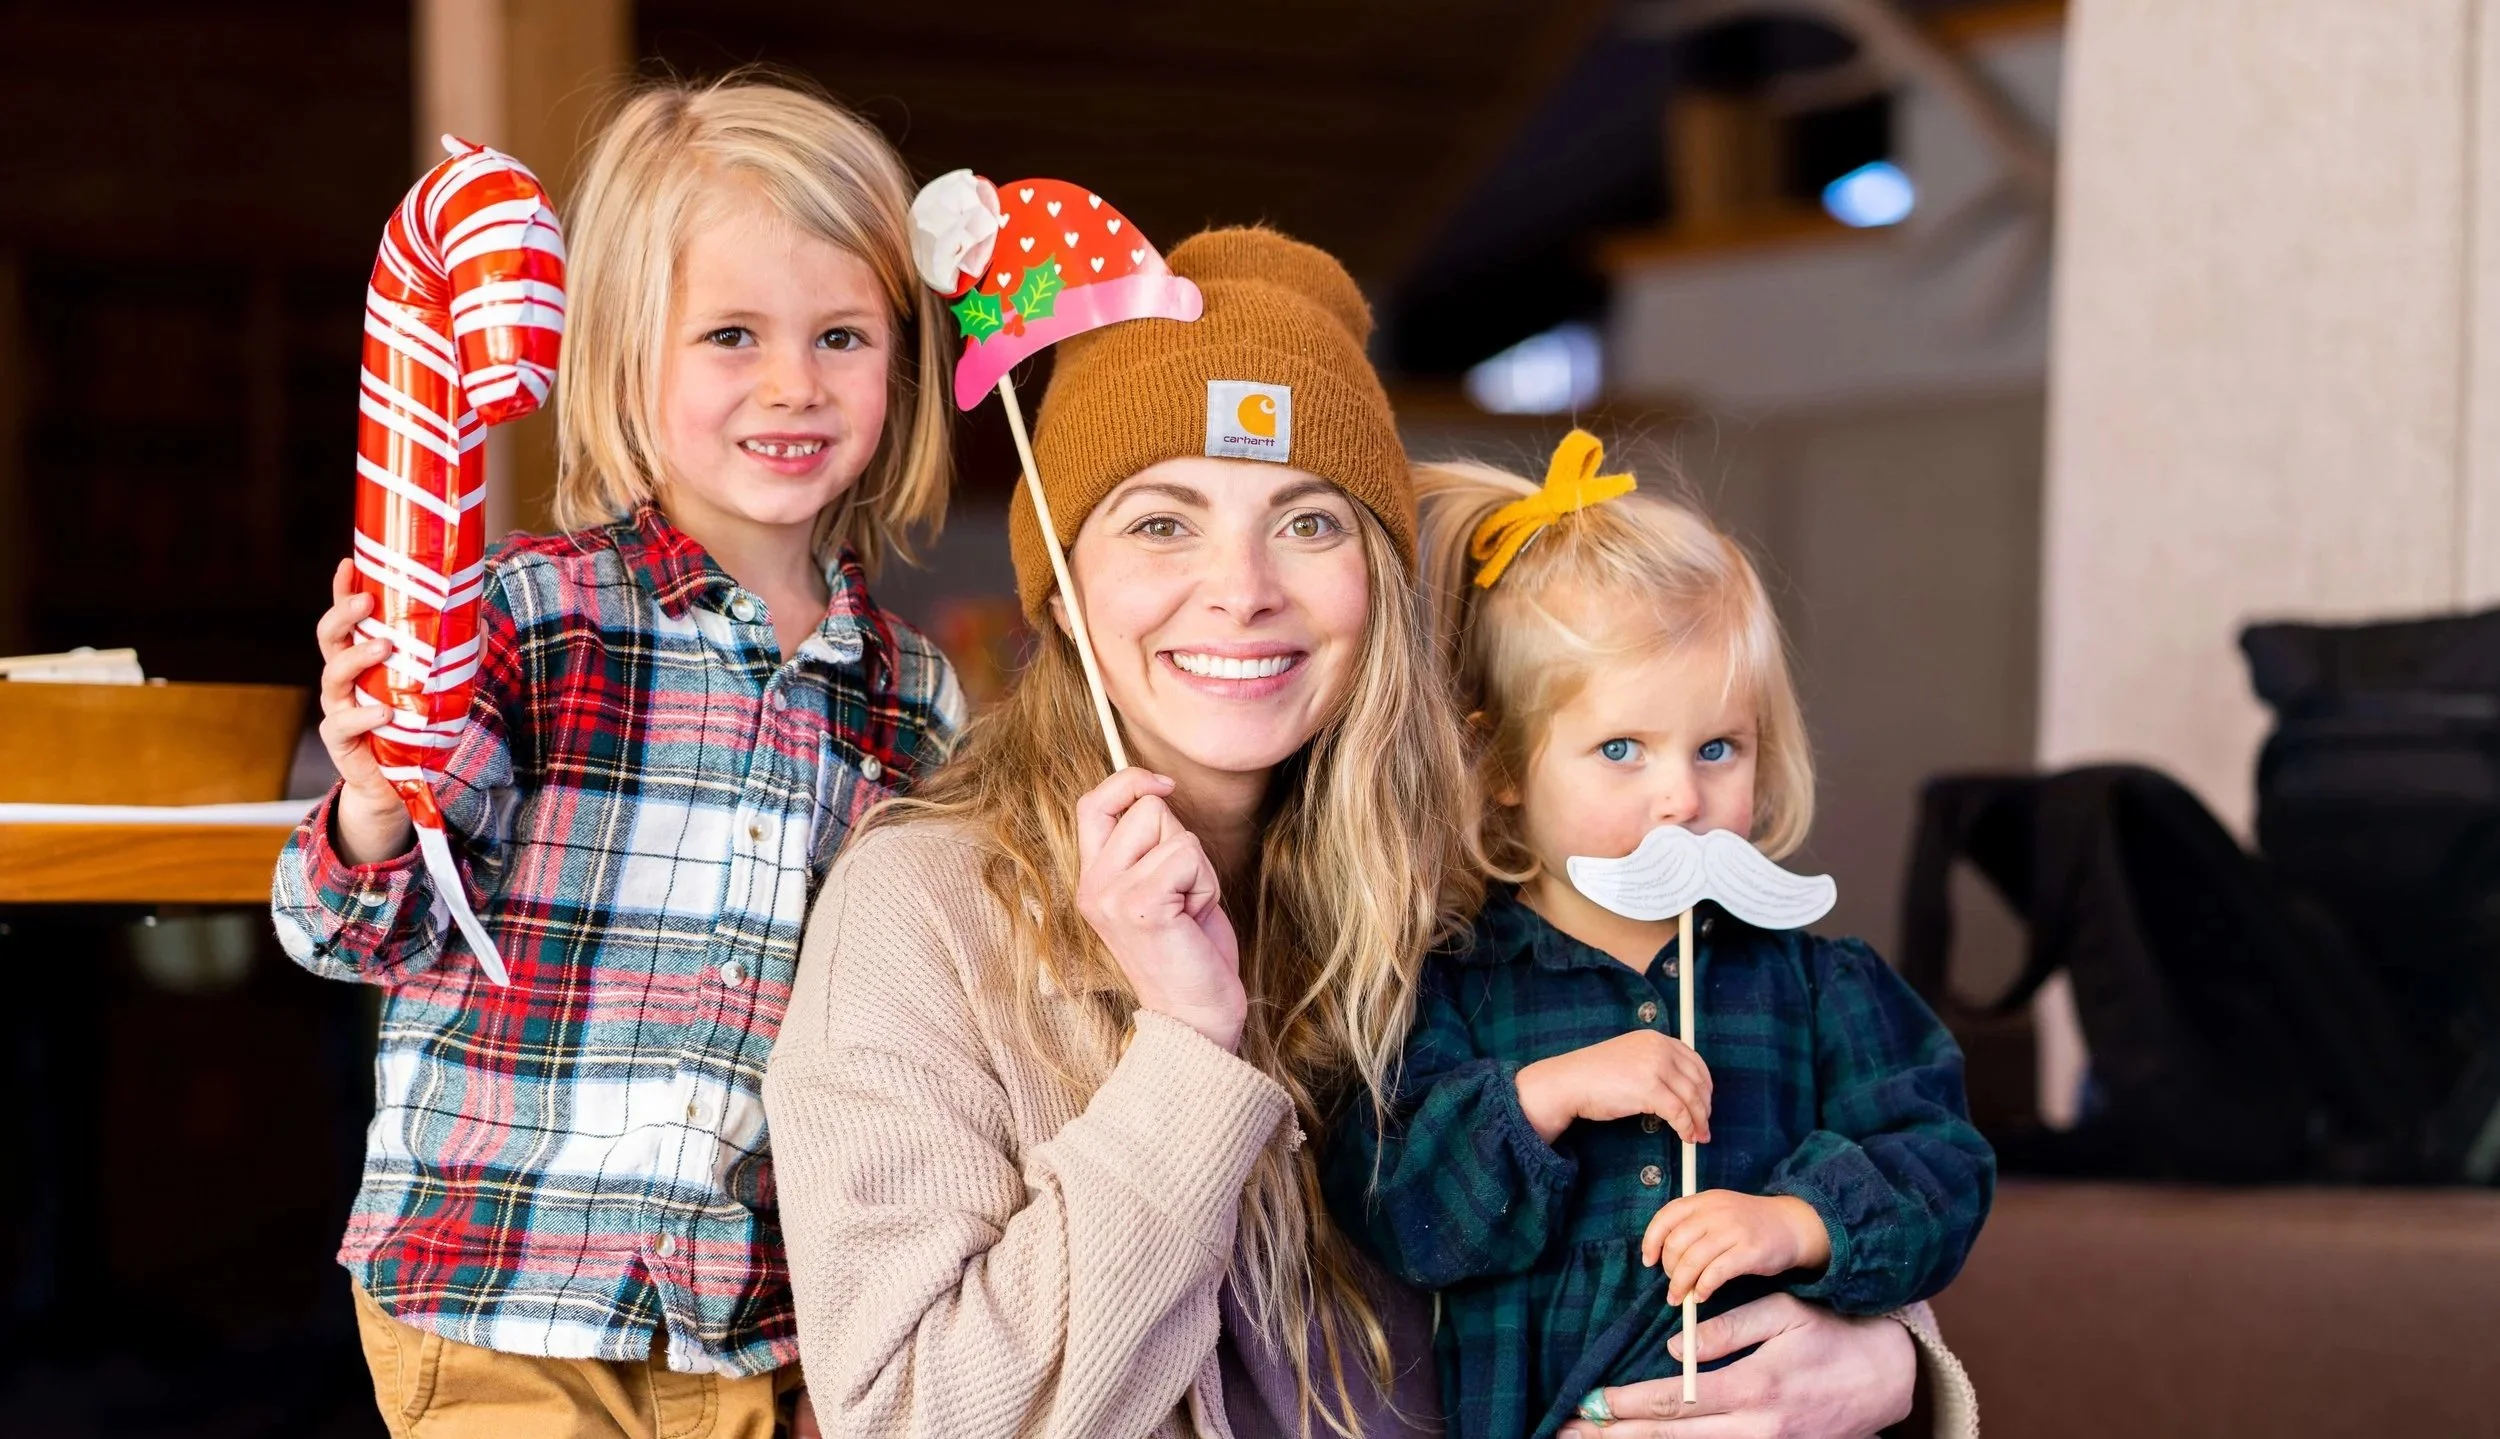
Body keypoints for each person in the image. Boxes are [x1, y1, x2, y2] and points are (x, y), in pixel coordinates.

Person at [270, 76, 959, 1438]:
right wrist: (367, 797)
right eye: (729, 334)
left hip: (756, 1326)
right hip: (495, 1299)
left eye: (840, 335)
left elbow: (902, 1037)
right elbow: (353, 930)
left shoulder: (914, 699)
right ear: (626, 355)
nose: (792, 383)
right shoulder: (522, 615)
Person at [764, 225, 1473, 1438]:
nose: (1242, 587)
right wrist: (1187, 1050)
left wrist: (1885, 1364)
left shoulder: (1454, 897)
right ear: (1065, 583)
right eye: (1160, 521)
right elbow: (914, 1415)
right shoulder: (922, 907)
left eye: (1310, 522)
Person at [1322, 437, 1994, 1439]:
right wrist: (1544, 1093)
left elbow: (1942, 1162)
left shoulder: (1818, 982)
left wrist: (1795, 1221)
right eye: (1620, 749)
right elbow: (1396, 1209)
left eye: (1718, 746)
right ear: (1501, 763)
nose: (1681, 796)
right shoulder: (1451, 989)